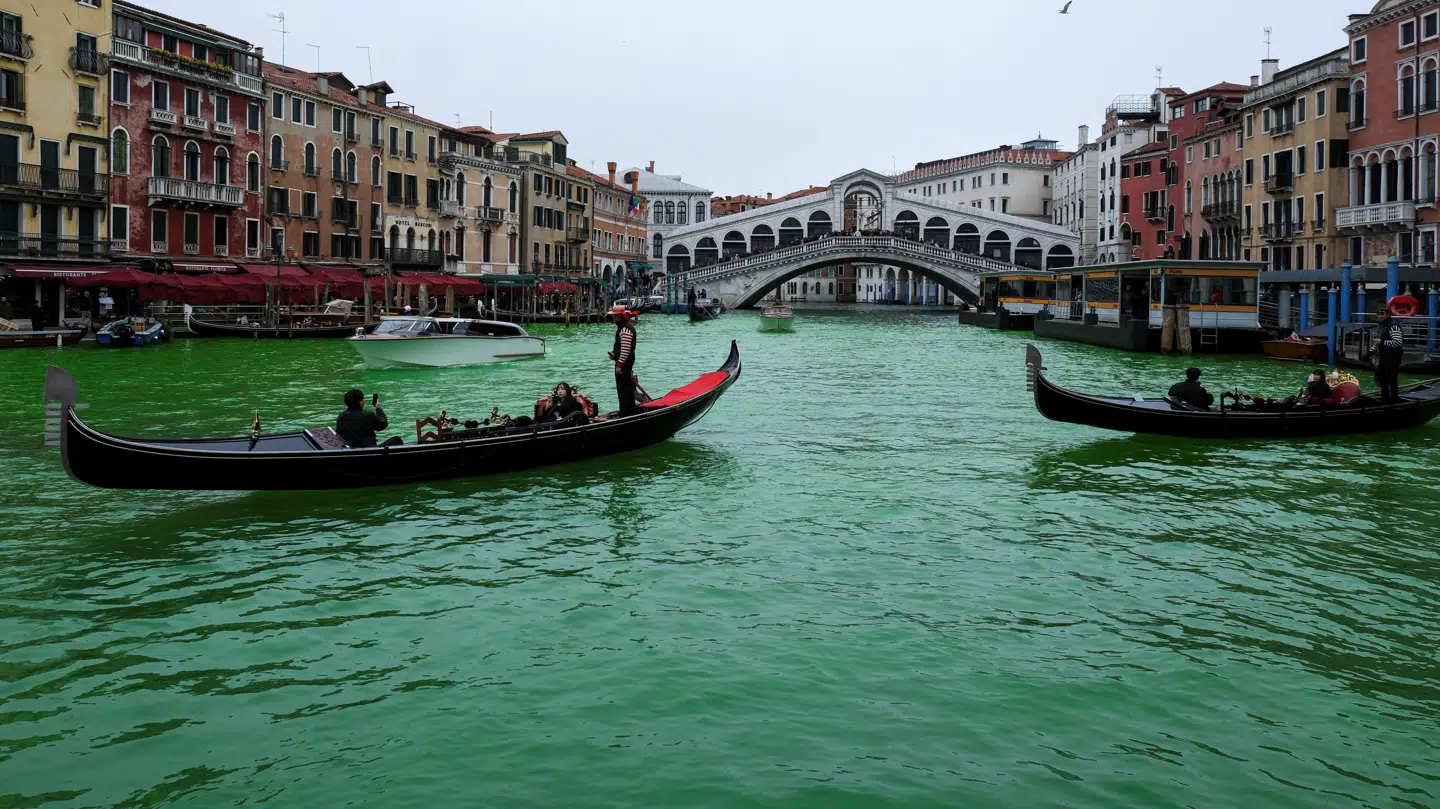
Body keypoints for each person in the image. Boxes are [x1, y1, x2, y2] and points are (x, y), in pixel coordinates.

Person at [335, 389, 401, 448]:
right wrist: (378, 408)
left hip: (349, 450)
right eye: (363, 399)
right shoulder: (368, 415)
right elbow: (383, 424)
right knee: (397, 439)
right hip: (369, 451)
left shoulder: (341, 416)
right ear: (360, 402)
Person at [608, 303, 638, 415]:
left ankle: (627, 413)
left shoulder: (625, 329)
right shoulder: (624, 328)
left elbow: (625, 349)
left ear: (621, 317)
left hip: (624, 365)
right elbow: (623, 348)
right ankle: (627, 411)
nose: (614, 318)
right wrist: (614, 355)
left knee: (624, 390)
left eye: (615, 316)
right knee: (624, 389)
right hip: (625, 363)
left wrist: (619, 365)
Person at [1373, 309, 1405, 403]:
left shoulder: (1394, 326)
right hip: (1384, 356)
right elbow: (1378, 341)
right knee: (1381, 377)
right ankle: (1385, 397)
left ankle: (1394, 399)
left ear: (1388, 315)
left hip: (1393, 357)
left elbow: (1398, 343)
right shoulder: (1383, 326)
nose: (1380, 316)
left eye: (1382, 314)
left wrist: (1382, 342)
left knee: (1392, 379)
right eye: (1378, 314)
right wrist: (1370, 352)